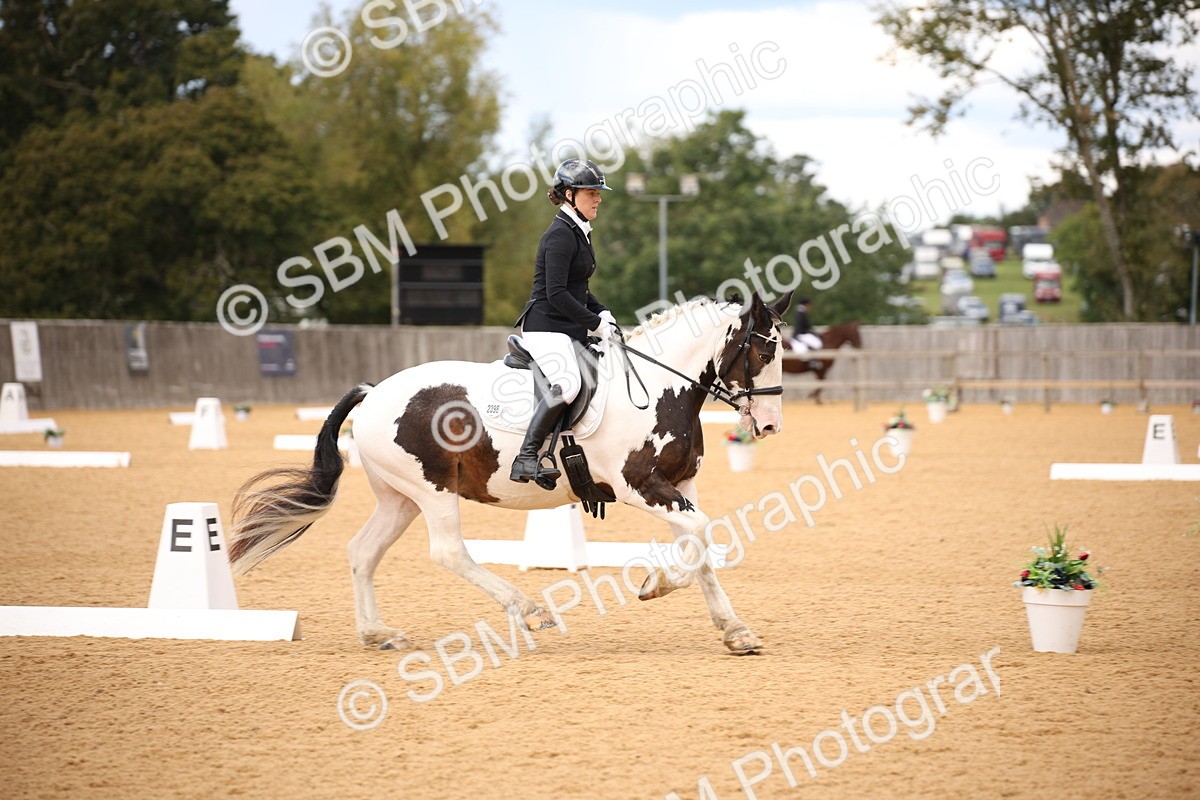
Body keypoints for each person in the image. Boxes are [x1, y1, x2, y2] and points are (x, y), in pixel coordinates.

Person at [510, 158, 618, 488]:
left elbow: (579, 287)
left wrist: (602, 312)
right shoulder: (559, 236)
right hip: (545, 326)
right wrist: (593, 323)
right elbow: (556, 294)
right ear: (570, 194)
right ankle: (526, 458)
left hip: (566, 327)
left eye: (599, 192)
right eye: (591, 192)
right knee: (568, 385)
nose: (598, 198)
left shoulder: (578, 231)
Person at [790, 296, 824, 369]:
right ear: (806, 304)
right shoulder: (801, 313)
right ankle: (813, 361)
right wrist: (814, 333)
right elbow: (807, 326)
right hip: (801, 334)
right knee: (817, 343)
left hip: (801, 333)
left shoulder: (799, 312)